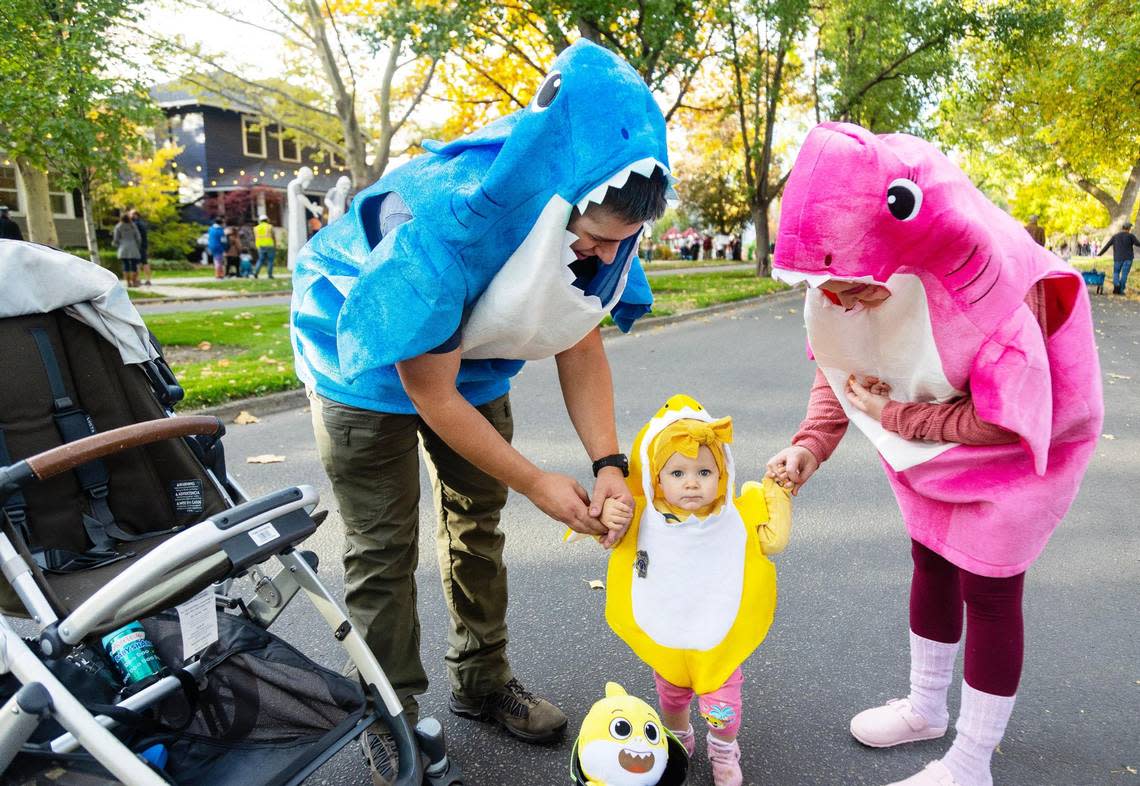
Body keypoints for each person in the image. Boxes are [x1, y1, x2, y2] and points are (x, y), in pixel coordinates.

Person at [291, 40, 672, 784]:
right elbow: (427, 389)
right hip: (360, 363)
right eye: (593, 241)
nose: (602, 258)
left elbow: (580, 337)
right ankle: (389, 711)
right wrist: (538, 482)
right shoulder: (446, 222)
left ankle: (482, 681)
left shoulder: (606, 207)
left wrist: (607, 464)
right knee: (381, 545)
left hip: (469, 358)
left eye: (618, 247)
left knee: (477, 520)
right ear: (558, 198)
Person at [767, 122, 1101, 786]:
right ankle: (925, 707)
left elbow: (1008, 421)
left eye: (855, 290)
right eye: (830, 292)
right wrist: (810, 444)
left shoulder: (993, 294)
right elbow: (847, 363)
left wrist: (897, 415)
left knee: (992, 588)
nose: (839, 302)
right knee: (931, 558)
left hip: (1019, 449)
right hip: (933, 442)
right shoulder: (842, 278)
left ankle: (973, 761)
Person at [600, 396, 791, 786]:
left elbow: (773, 539)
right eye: (677, 473)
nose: (691, 482)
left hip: (718, 636)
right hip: (667, 629)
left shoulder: (737, 516)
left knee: (722, 705)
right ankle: (677, 738)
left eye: (705, 471)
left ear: (723, 476)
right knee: (671, 694)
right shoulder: (640, 517)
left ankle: (723, 747)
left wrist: (776, 492)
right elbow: (607, 534)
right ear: (655, 478)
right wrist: (609, 515)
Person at [1097, 221, 1140, 294]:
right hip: (1128, 258)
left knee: (1116, 273)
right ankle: (1121, 290)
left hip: (1118, 258)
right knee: (1124, 274)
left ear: (1122, 228)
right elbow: (1138, 244)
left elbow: (1107, 245)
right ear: (1129, 228)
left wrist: (1100, 254)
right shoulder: (1131, 236)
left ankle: (1116, 285)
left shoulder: (1115, 236)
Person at [111, 212, 142, 287]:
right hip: (133, 247)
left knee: (126, 265)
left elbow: (116, 239)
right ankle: (134, 282)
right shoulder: (133, 226)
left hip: (123, 248)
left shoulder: (118, 226)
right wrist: (138, 246)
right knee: (134, 265)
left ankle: (128, 282)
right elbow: (138, 238)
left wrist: (117, 245)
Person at [129, 209, 151, 285]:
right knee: (145, 263)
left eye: (131, 214)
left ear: (135, 215)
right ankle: (148, 280)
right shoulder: (142, 223)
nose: (130, 216)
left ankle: (138, 280)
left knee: (137, 263)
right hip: (144, 246)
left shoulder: (135, 224)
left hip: (137, 246)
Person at [253, 214, 276, 278]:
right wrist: (275, 244)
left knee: (260, 260)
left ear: (260, 220)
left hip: (260, 246)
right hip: (270, 245)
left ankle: (256, 273)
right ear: (267, 220)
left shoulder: (256, 228)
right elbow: (273, 236)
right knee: (270, 260)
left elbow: (255, 237)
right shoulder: (269, 227)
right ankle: (270, 275)